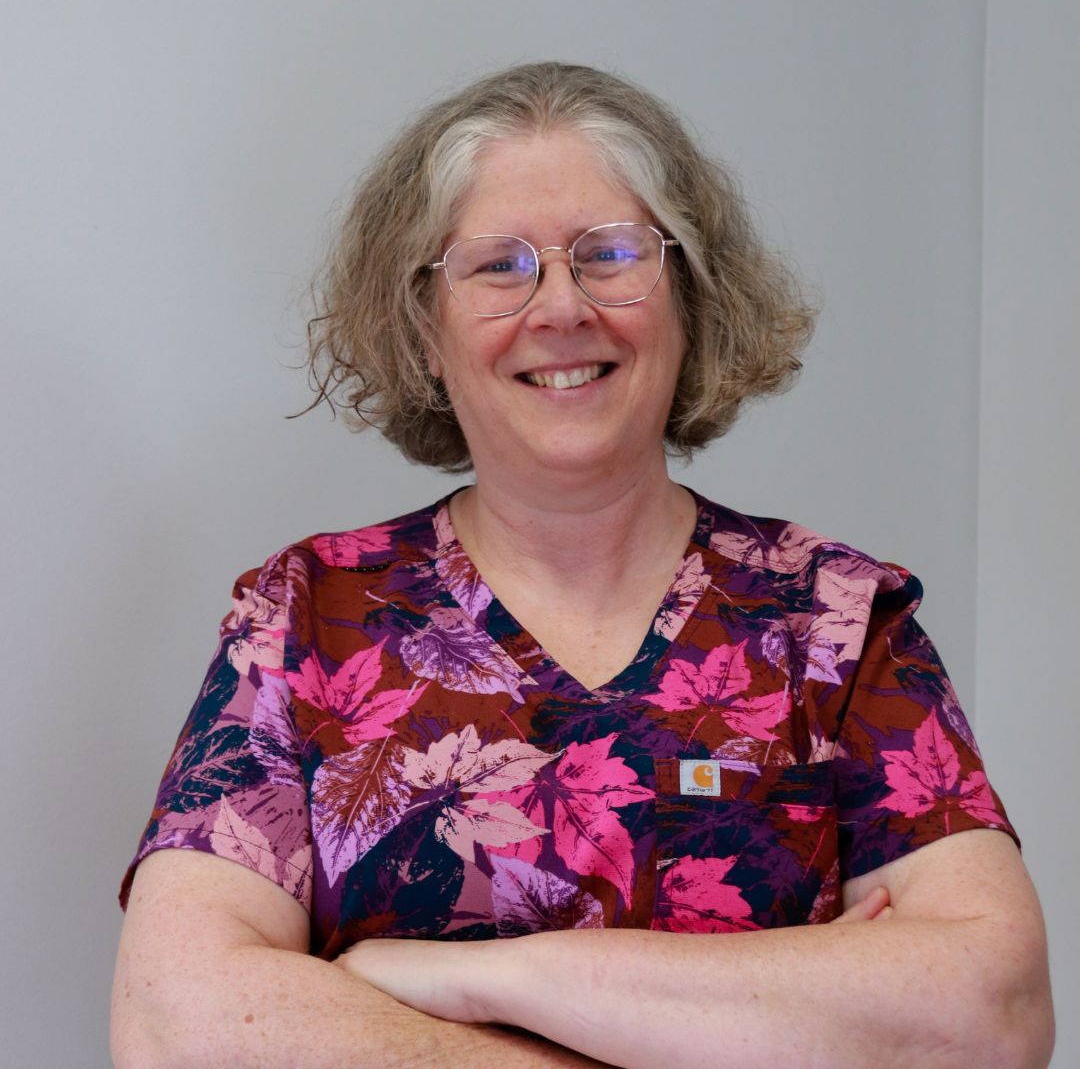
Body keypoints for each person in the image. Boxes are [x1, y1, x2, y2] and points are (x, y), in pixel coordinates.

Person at [111, 62, 1053, 1067]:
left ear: (690, 298)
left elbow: (989, 1013)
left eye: (609, 255)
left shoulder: (833, 622)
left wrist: (478, 979)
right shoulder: (306, 622)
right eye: (497, 267)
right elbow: (179, 1025)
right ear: (425, 330)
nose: (560, 307)